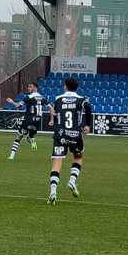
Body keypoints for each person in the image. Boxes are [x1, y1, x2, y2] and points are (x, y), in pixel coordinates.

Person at [47, 77, 92, 205]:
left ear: (65, 86)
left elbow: (55, 114)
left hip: (60, 135)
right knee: (78, 157)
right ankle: (72, 180)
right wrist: (87, 125)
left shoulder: (58, 98)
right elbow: (88, 108)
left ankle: (53, 192)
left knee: (57, 163)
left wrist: (55, 125)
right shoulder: (82, 99)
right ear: (77, 87)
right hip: (75, 135)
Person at [7, 81, 48, 158]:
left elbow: (18, 106)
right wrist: (52, 118)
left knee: (19, 136)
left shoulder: (28, 97)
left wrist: (11, 101)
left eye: (30, 86)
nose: (28, 88)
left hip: (28, 119)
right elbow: (50, 107)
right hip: (38, 120)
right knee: (31, 136)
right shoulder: (42, 97)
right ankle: (33, 143)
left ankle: (11, 156)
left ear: (35, 88)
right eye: (28, 86)